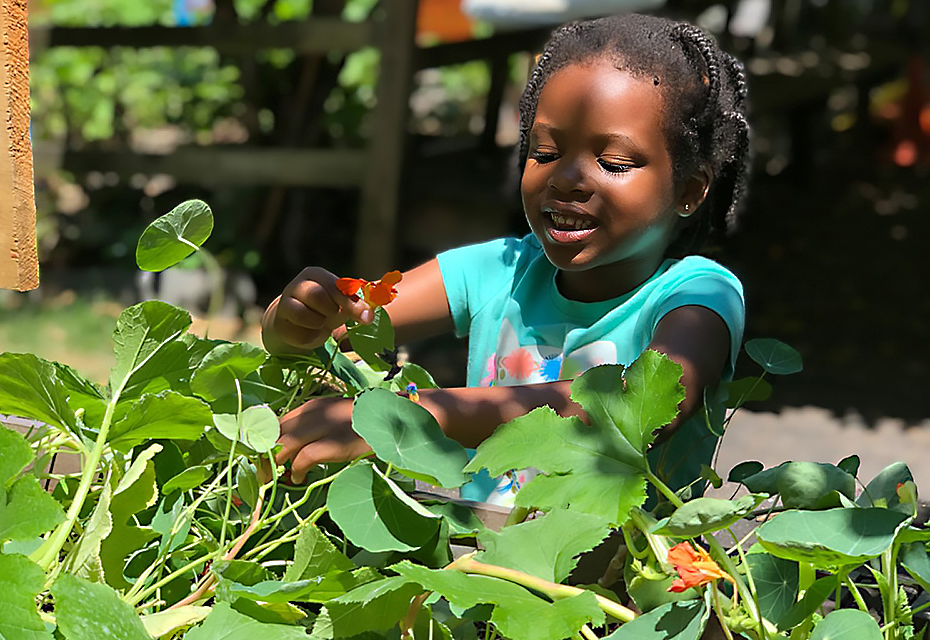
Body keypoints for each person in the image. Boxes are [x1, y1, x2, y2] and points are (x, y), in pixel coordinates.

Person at [261, 14, 750, 506]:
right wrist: (296, 318)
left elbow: (643, 407)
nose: (568, 178)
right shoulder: (499, 269)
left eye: (613, 163)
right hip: (478, 565)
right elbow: (345, 325)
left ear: (689, 189)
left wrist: (407, 417)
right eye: (545, 152)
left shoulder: (699, 295)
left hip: (625, 576)